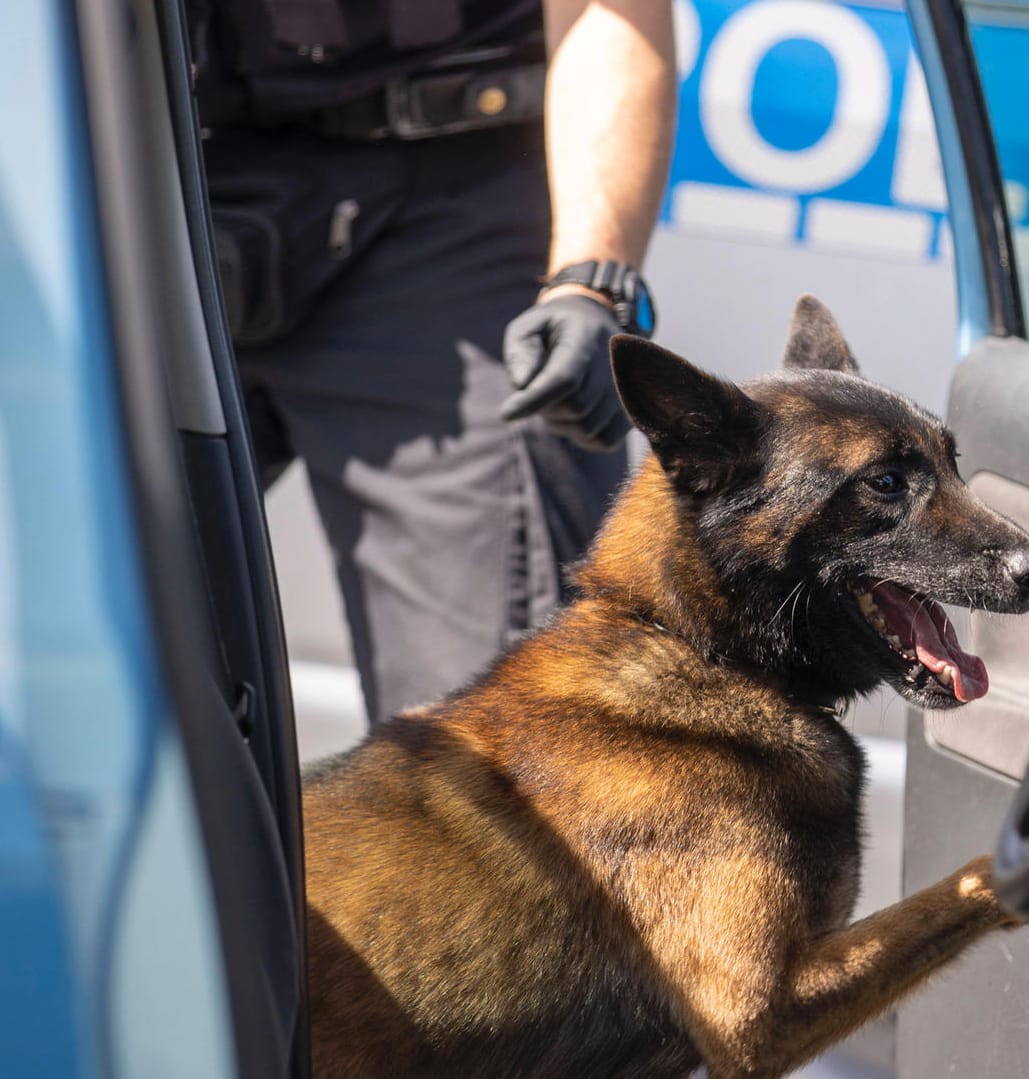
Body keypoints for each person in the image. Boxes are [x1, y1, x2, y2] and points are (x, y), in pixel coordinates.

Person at [188, 0, 676, 722]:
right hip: (133, 151)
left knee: (493, 738)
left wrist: (588, 284)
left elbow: (609, 12)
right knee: (50, 631)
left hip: (446, 195)